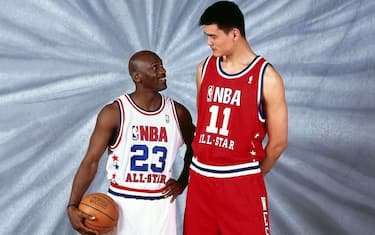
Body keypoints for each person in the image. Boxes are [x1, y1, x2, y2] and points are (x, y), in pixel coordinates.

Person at [183, 1, 288, 235]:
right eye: (206, 36)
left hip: (240, 180)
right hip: (201, 178)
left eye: (213, 36)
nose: (208, 42)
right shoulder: (204, 68)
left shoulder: (267, 77)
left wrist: (251, 174)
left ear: (234, 33)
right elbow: (203, 123)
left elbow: (278, 142)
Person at [67, 50, 195, 235]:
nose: (163, 71)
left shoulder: (178, 113)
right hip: (122, 203)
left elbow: (198, 148)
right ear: (138, 77)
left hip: (161, 207)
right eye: (156, 67)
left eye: (162, 65)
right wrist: (72, 204)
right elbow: (91, 161)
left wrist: (182, 182)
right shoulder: (115, 112)